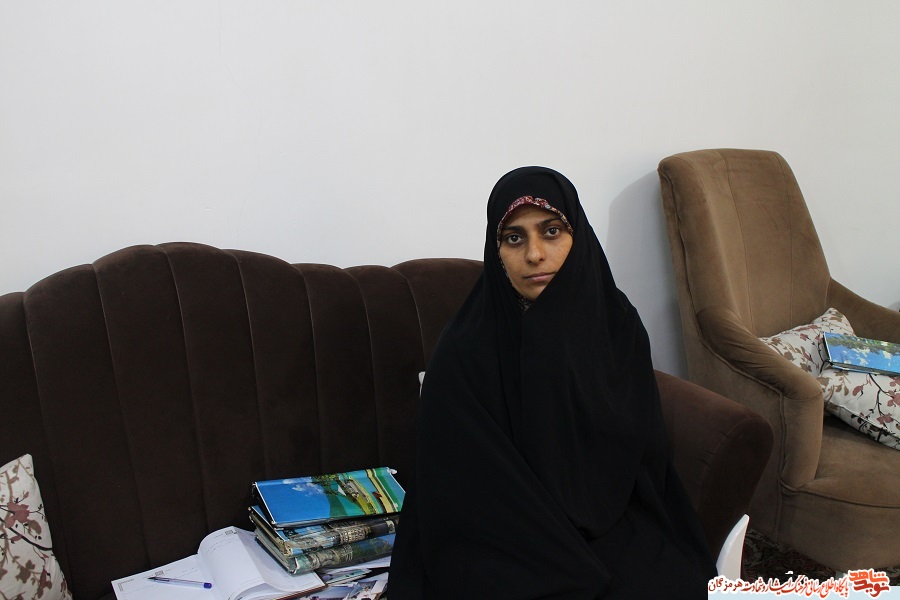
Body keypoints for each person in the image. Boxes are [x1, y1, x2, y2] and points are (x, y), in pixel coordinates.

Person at [389, 166, 716, 599]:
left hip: (611, 514)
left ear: (577, 236)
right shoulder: (466, 346)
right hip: (502, 530)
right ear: (496, 250)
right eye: (514, 238)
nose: (535, 254)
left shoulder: (616, 326)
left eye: (552, 231)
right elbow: (460, 481)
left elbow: (638, 452)